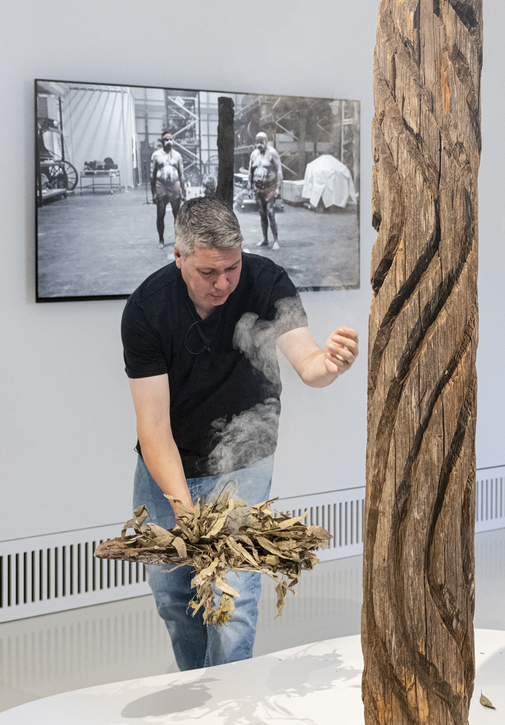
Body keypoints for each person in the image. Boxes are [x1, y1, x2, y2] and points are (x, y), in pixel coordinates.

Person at [120, 197, 359, 670]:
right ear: (179, 256)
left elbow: (309, 365)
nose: (224, 283)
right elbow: (153, 429)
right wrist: (186, 515)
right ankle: (197, 691)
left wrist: (331, 365)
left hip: (244, 461)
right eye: (209, 272)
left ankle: (227, 702)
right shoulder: (146, 310)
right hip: (168, 461)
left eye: (231, 267)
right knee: (173, 590)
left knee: (232, 599)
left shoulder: (266, 281)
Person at [151, 132, 186, 248]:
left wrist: (183, 192)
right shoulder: (156, 155)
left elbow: (182, 175)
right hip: (161, 186)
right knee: (160, 214)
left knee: (177, 215)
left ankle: (179, 240)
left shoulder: (177, 156)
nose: (169, 142)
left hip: (174, 186)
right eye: (166, 140)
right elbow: (152, 175)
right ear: (162, 142)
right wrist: (154, 193)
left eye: (171, 139)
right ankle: (161, 240)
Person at [248, 131, 282, 250]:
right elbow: (250, 172)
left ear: (266, 142)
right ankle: (265, 239)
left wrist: (278, 187)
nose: (259, 145)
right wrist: (249, 186)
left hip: (270, 187)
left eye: (261, 143)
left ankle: (276, 240)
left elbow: (279, 170)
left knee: (270, 212)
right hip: (258, 188)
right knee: (262, 214)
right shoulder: (253, 155)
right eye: (257, 143)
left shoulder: (272, 153)